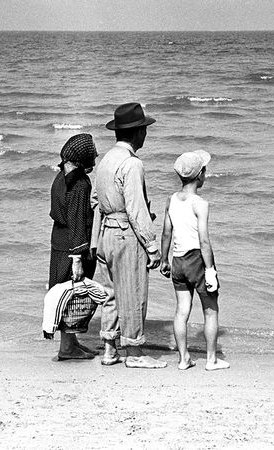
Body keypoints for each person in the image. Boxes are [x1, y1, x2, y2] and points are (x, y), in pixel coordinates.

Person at [95, 102, 166, 369]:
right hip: (126, 233)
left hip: (106, 233)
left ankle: (110, 348)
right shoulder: (132, 164)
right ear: (137, 133)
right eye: (144, 130)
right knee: (134, 292)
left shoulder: (106, 161)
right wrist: (152, 245)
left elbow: (95, 201)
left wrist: (95, 242)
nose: (145, 134)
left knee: (110, 293)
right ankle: (134, 352)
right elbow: (136, 209)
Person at [160, 150, 230, 371]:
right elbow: (204, 240)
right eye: (204, 171)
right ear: (200, 175)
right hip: (197, 259)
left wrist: (164, 259)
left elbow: (166, 233)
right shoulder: (200, 203)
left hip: (178, 260)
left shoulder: (171, 200)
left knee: (182, 310)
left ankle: (183, 359)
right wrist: (210, 270)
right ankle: (211, 360)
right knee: (210, 309)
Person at [47, 133, 99, 360]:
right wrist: (78, 256)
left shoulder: (60, 177)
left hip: (59, 241)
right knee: (72, 294)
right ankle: (67, 348)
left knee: (64, 291)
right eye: (91, 155)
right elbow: (78, 219)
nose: (94, 158)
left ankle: (71, 343)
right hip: (71, 246)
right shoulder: (79, 184)